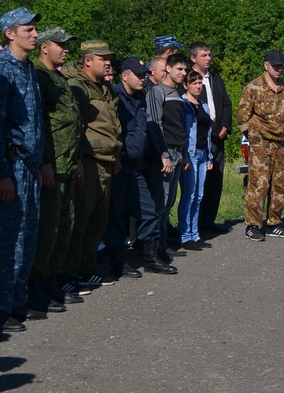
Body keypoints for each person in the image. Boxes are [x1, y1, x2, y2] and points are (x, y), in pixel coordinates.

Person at [0, 8, 45, 333]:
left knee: (28, 234)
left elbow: (38, 124)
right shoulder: (4, 72)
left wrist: (43, 162)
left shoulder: (28, 70)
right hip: (12, 165)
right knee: (9, 239)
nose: (35, 34)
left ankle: (18, 303)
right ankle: (2, 310)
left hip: (31, 166)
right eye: (28, 28)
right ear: (10, 33)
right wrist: (1, 173)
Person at [108, 58, 177, 277]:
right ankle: (117, 263)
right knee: (116, 217)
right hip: (118, 166)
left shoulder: (141, 98)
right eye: (138, 75)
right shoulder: (114, 97)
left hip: (136, 167)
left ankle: (150, 257)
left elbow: (149, 130)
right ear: (124, 76)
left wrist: (160, 153)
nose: (142, 78)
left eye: (143, 74)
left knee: (149, 212)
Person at [30, 26, 82, 315]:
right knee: (47, 230)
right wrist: (46, 161)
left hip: (67, 163)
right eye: (59, 44)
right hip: (52, 164)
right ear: (43, 46)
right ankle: (38, 286)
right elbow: (43, 126)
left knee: (64, 227)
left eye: (66, 44)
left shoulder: (58, 77)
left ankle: (53, 280)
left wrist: (74, 164)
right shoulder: (38, 74)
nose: (65, 49)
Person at [63, 40, 121, 290]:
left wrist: (115, 155)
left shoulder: (103, 88)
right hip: (88, 162)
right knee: (80, 223)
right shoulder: (78, 88)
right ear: (88, 61)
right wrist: (78, 163)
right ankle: (70, 274)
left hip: (106, 162)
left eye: (108, 58)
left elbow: (111, 125)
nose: (108, 62)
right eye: (102, 58)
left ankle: (87, 269)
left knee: (97, 222)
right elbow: (75, 129)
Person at [238, 50, 284, 241]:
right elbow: (242, 119)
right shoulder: (254, 88)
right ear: (266, 65)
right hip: (261, 145)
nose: (279, 69)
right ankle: (253, 225)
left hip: (280, 144)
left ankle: (274, 223)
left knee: (280, 185)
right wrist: (255, 138)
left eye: (281, 66)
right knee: (259, 184)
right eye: (275, 65)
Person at [146, 53, 189, 260]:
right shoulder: (157, 92)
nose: (183, 73)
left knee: (169, 201)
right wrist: (164, 153)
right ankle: (153, 248)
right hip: (166, 153)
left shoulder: (177, 93)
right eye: (179, 69)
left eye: (185, 69)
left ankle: (163, 244)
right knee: (160, 202)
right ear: (168, 69)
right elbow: (155, 124)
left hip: (178, 152)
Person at [189, 41, 233, 236]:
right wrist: (213, 129)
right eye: (203, 55)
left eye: (209, 55)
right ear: (193, 58)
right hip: (201, 138)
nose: (208, 59)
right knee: (198, 183)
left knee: (216, 181)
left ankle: (208, 220)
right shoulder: (190, 80)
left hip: (219, 137)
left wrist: (225, 126)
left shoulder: (215, 78)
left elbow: (226, 104)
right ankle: (193, 225)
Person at [179, 70, 212, 251]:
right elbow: (183, 132)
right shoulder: (183, 104)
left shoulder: (204, 106)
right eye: (193, 83)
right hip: (189, 154)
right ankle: (185, 236)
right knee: (189, 196)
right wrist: (183, 155)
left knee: (199, 196)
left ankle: (195, 234)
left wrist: (209, 156)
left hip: (202, 154)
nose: (198, 86)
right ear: (185, 85)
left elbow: (207, 134)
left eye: (200, 83)